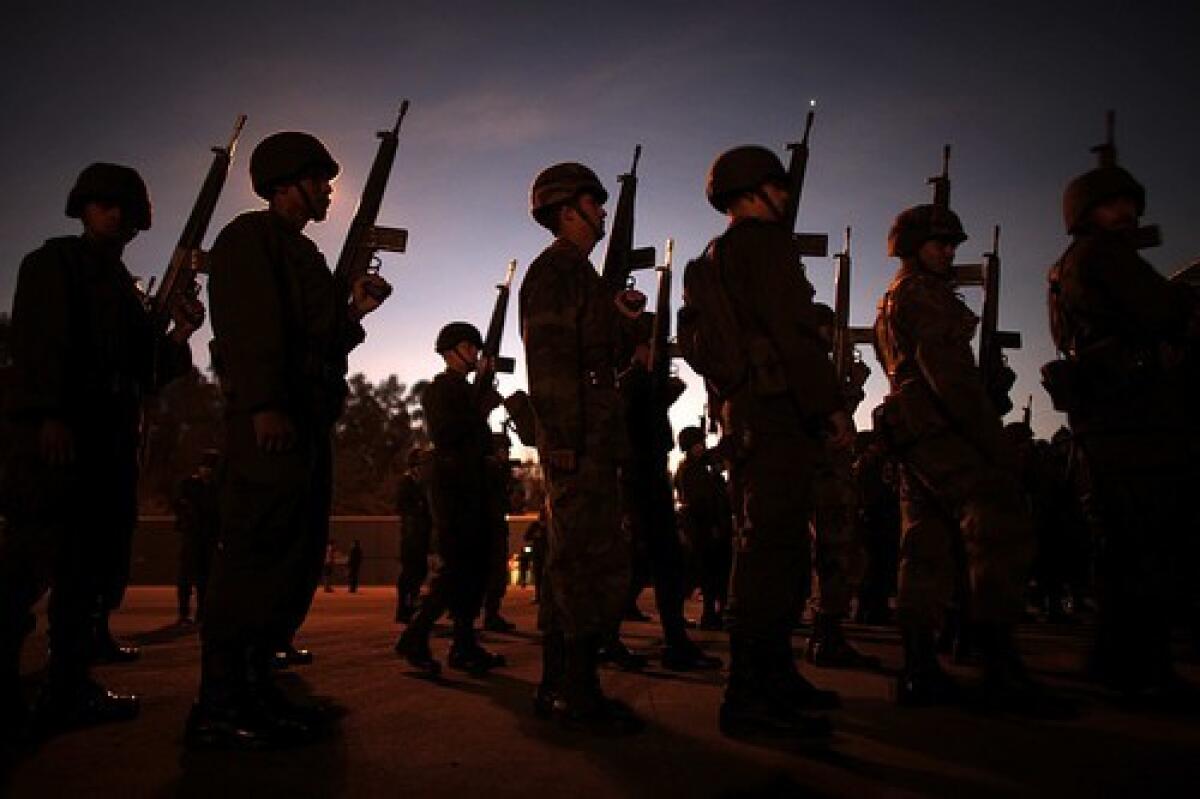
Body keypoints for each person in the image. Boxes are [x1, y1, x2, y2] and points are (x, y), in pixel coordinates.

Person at [186, 130, 391, 749]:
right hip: (270, 422)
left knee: (291, 560)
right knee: (253, 557)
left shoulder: (301, 254)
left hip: (305, 421)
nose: (328, 189)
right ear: (286, 182)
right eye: (319, 179)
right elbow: (250, 328)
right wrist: (265, 404)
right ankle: (220, 701)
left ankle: (255, 687)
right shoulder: (249, 239)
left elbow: (318, 336)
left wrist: (353, 312)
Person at [0, 163, 202, 738]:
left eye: (123, 206)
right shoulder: (53, 263)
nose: (113, 213)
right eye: (101, 203)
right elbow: (37, 345)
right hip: (59, 442)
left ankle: (67, 688)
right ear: (83, 208)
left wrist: (180, 335)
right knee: (26, 567)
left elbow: (147, 371)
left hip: (108, 445)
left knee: (84, 577)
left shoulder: (125, 288)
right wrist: (50, 416)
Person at [874, 203, 1072, 717]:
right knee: (1000, 525)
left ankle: (919, 670)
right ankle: (1000, 667)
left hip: (917, 429)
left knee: (925, 546)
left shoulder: (892, 299)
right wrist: (992, 440)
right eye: (940, 244)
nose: (948, 253)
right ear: (913, 246)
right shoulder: (920, 293)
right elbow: (950, 377)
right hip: (944, 427)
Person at [681, 146, 850, 738]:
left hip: (747, 413)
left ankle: (774, 676)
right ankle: (750, 694)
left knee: (768, 547)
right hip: (778, 414)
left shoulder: (714, 257)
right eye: (778, 186)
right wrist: (830, 405)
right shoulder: (766, 245)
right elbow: (795, 328)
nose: (786, 196)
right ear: (755, 190)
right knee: (772, 553)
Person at [1046, 159, 1198, 699]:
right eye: (1113, 204)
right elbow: (1162, 309)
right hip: (1136, 421)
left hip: (1108, 421)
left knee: (1121, 550)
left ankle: (1117, 660)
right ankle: (1144, 669)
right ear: (1086, 213)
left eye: (1130, 204)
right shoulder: (1104, 256)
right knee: (1146, 549)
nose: (1126, 212)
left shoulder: (1068, 265)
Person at [520, 162, 643, 733]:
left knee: (593, 558)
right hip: (577, 440)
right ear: (568, 209)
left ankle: (569, 684)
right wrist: (563, 438)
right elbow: (548, 362)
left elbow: (603, 361)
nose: (603, 212)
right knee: (576, 560)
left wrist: (621, 322)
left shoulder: (584, 277)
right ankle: (569, 689)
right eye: (595, 203)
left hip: (595, 436)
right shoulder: (555, 272)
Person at [393, 322, 506, 676]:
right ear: (449, 352)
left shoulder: (467, 390)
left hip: (473, 485)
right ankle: (416, 634)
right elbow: (447, 433)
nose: (474, 353)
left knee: (474, 570)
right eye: (468, 347)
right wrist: (481, 408)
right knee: (456, 568)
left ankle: (464, 643)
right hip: (453, 486)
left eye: (475, 347)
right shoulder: (439, 390)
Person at [672, 426, 733, 631]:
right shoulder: (691, 470)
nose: (701, 447)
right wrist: (714, 524)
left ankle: (711, 613)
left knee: (710, 574)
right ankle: (707, 615)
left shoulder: (698, 467)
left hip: (706, 528)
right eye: (697, 443)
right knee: (704, 574)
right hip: (702, 528)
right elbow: (702, 501)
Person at [173, 449, 222, 625]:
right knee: (187, 576)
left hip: (207, 537)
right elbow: (179, 504)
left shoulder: (216, 489)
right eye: (204, 466)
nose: (206, 470)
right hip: (194, 535)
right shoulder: (190, 485)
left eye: (209, 467)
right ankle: (185, 613)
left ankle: (201, 611)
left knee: (204, 578)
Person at [482, 433, 517, 632]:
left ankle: (491, 613)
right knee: (493, 574)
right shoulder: (491, 469)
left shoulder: (493, 469)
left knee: (495, 574)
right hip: (491, 527)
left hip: (493, 526)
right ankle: (490, 615)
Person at [394, 448, 432, 623]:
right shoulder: (406, 482)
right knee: (409, 572)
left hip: (421, 533)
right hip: (411, 535)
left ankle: (411, 603)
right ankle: (403, 607)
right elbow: (404, 506)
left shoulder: (423, 484)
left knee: (419, 570)